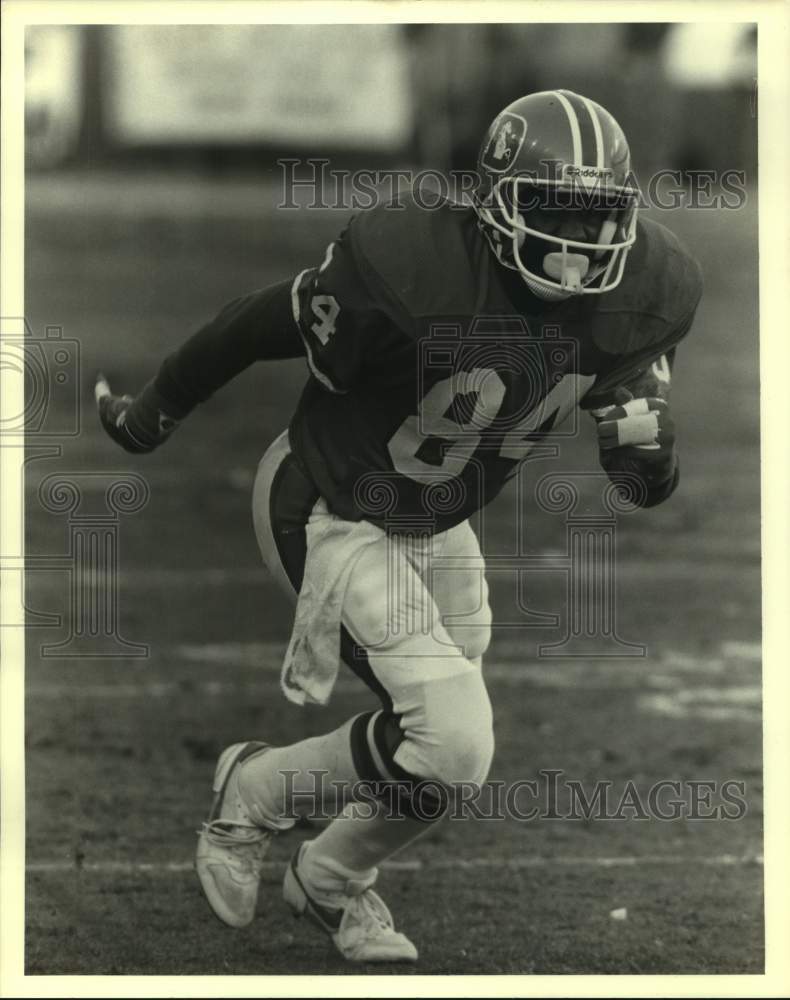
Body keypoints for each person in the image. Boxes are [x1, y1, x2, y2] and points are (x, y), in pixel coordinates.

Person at [96, 90, 702, 963]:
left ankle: (328, 878)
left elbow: (641, 468)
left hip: (441, 519)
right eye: (554, 209)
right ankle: (257, 797)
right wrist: (157, 408)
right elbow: (261, 319)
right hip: (330, 505)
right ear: (494, 204)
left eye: (597, 215)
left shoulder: (649, 291)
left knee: (440, 750)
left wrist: (648, 461)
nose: (577, 245)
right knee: (454, 741)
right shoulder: (409, 268)